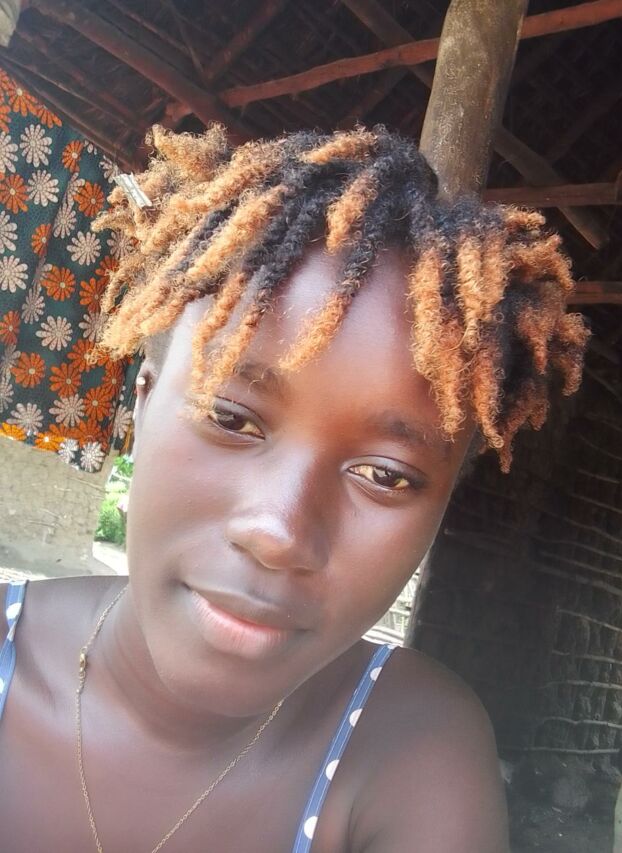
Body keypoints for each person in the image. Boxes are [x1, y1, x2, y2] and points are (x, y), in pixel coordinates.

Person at [0, 125, 588, 852]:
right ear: (143, 405)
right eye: (231, 417)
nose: (278, 533)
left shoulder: (414, 756)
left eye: (386, 475)